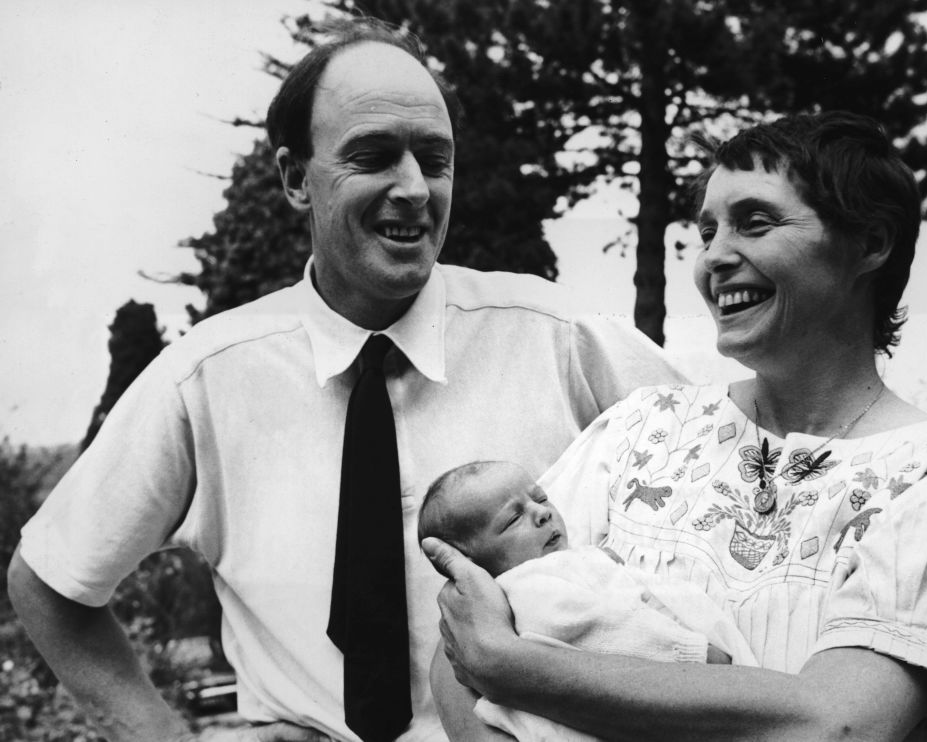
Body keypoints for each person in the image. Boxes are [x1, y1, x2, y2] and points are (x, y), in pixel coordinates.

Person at [5, 17, 685, 742]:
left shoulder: (560, 338)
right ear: (296, 179)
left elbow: (745, 488)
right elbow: (48, 581)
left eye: (435, 158)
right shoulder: (205, 381)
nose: (416, 189)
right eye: (375, 156)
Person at [424, 111, 927, 742]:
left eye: (754, 223)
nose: (713, 258)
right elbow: (463, 637)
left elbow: (839, 723)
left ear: (871, 243)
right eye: (707, 231)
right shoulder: (642, 430)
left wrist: (517, 668)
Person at [418, 460, 755, 741]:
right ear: (471, 564)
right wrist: (692, 655)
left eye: (541, 498)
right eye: (513, 518)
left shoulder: (550, 571)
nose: (542, 513)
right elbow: (606, 631)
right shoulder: (529, 589)